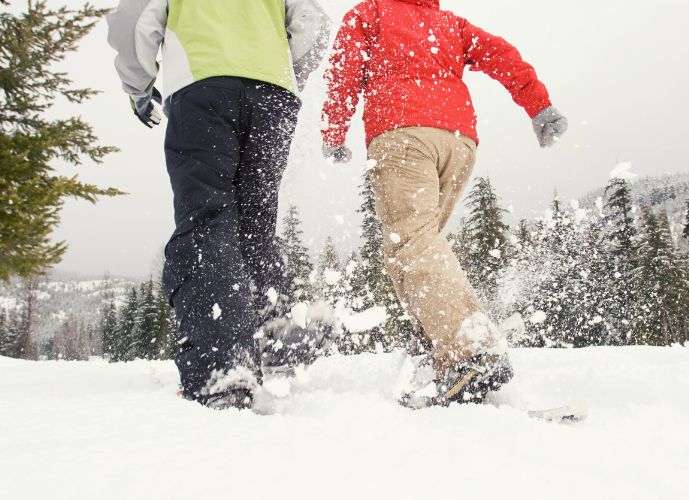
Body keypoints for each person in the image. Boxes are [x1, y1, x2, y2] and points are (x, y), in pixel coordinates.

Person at [321, 0, 568, 407]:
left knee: (413, 242)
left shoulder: (372, 13)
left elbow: (345, 67)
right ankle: (437, 343)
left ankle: (467, 349)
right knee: (413, 245)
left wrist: (333, 130)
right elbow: (500, 54)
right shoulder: (448, 23)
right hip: (458, 141)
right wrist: (538, 104)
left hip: (403, 131)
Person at [107, 0, 331, 410]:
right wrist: (279, 71)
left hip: (204, 86)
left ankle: (225, 366)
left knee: (208, 220)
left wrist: (139, 88)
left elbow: (133, 22)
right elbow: (312, 24)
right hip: (274, 96)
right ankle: (274, 332)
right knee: (255, 224)